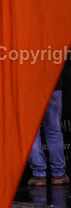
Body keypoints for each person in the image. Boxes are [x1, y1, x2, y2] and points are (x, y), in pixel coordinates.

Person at [28, 58, 70, 186]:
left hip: (29, 87)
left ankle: (39, 175)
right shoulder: (53, 44)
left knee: (32, 133)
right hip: (53, 85)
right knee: (54, 132)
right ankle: (58, 175)